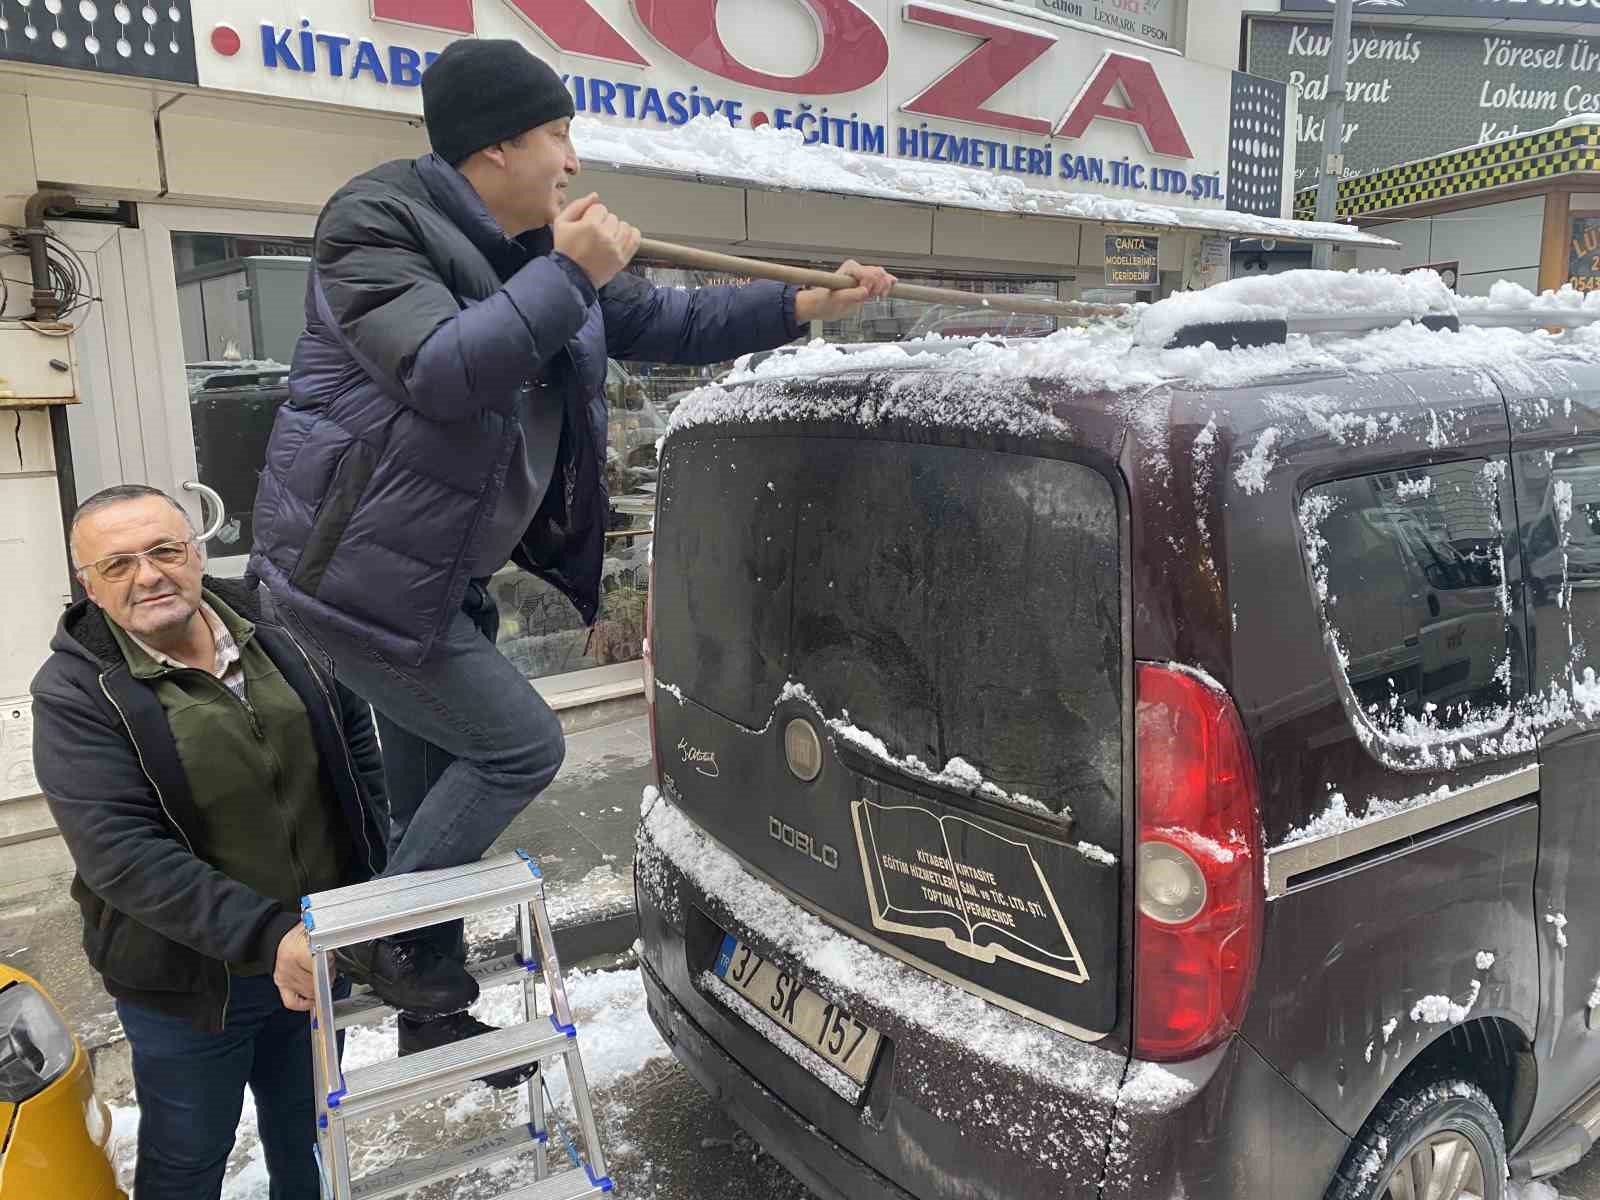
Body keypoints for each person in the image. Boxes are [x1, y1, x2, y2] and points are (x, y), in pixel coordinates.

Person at [247, 37, 896, 1063]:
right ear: (497, 146)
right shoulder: (374, 226)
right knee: (517, 748)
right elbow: (439, 369)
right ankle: (362, 943)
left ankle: (428, 1008)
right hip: (355, 580)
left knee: (430, 802)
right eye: (558, 133)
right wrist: (567, 271)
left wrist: (803, 302)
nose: (572, 159)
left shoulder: (538, 245)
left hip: (438, 578)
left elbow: (663, 318)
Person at [30, 484, 388, 1200]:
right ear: (89, 586)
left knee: (310, 1129)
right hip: (187, 984)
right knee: (190, 1156)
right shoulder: (75, 693)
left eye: (165, 550)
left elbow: (354, 744)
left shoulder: (280, 626)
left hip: (315, 950)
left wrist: (369, 870)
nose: (149, 575)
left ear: (197, 553)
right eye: (119, 564)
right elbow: (120, 855)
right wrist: (269, 935)